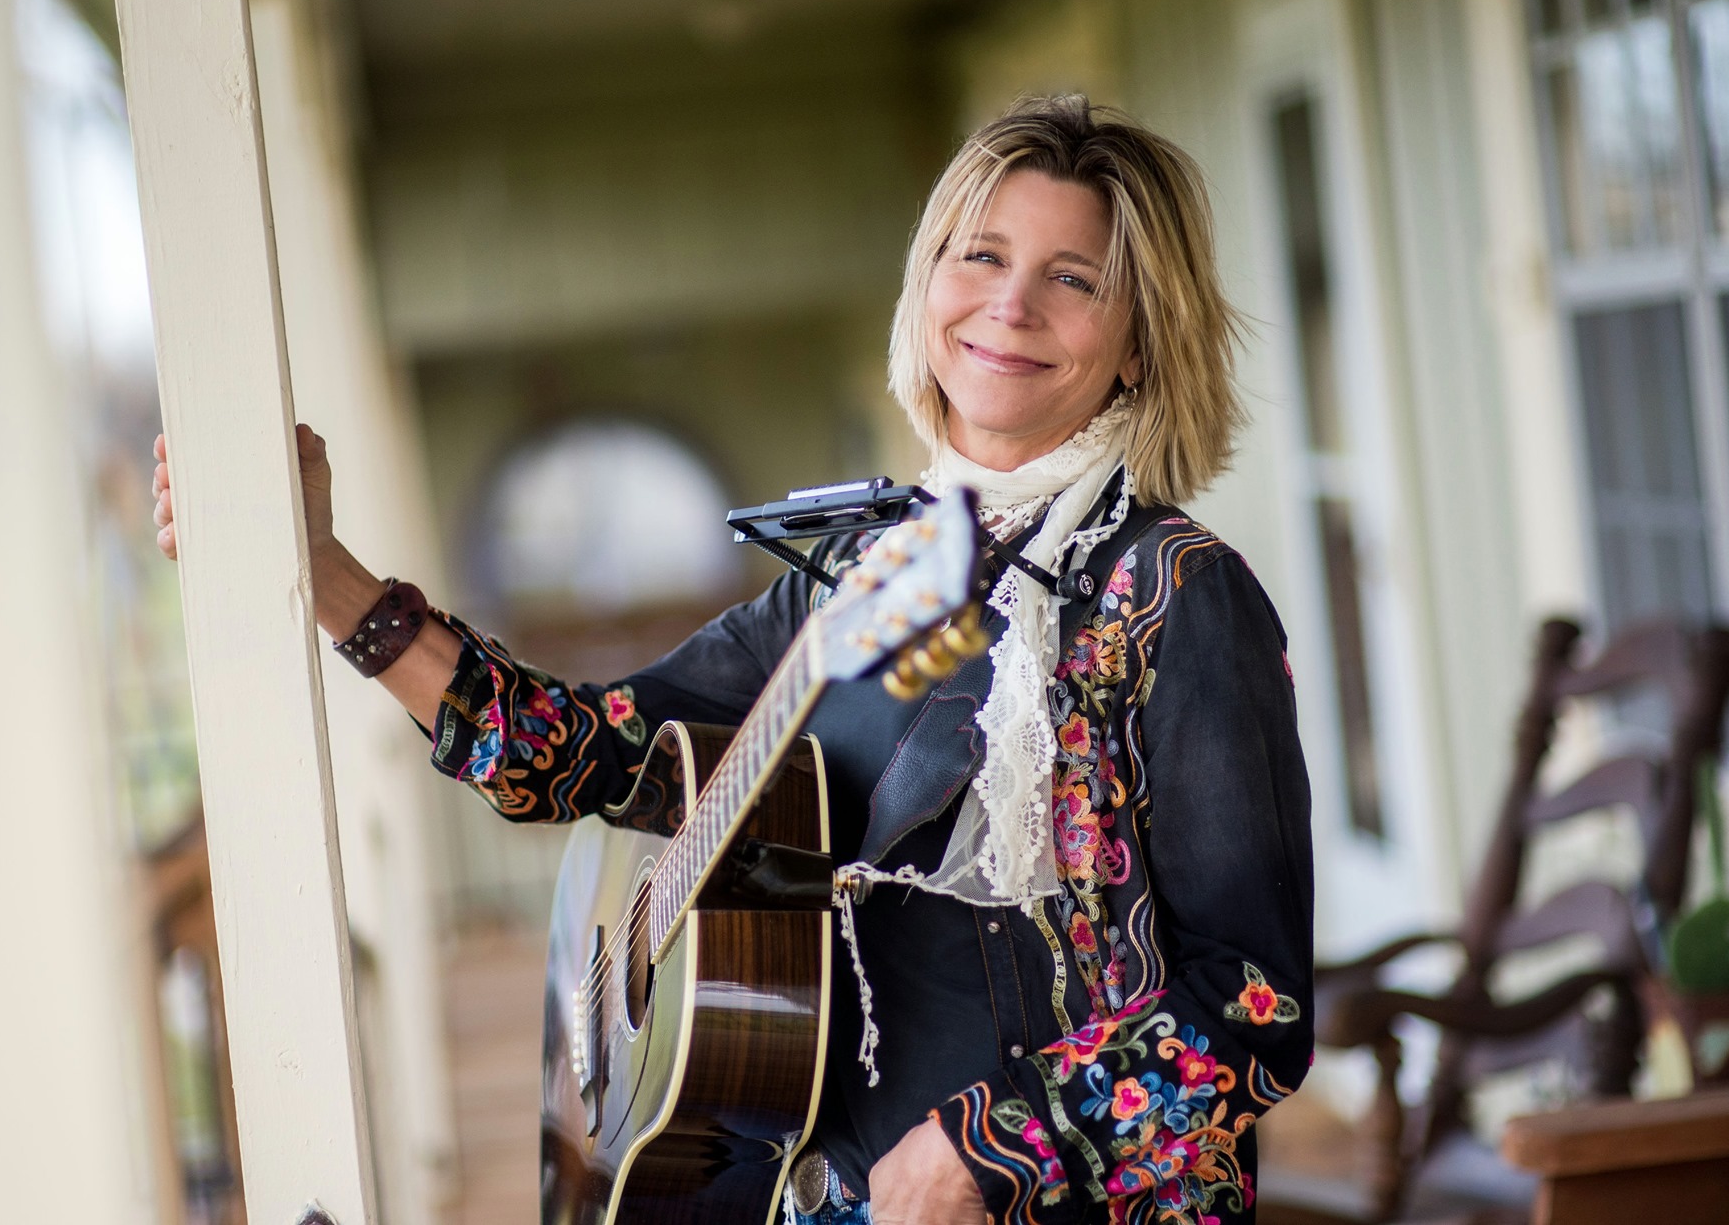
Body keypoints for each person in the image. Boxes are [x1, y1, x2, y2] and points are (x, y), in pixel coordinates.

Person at [152, 95, 1313, 1225]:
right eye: (981, 255)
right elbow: (573, 757)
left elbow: (1252, 1011)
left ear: (1134, 346)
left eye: (1074, 278)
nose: (1009, 304)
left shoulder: (1173, 594)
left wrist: (990, 1147)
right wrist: (327, 572)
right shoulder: (864, 564)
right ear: (927, 293)